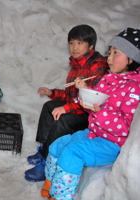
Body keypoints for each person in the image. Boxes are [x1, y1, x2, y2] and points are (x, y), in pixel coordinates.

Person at [41, 27, 140, 200]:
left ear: (131, 59)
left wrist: (99, 111)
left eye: (115, 53)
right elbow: (91, 105)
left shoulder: (134, 88)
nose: (108, 58)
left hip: (112, 143)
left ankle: (59, 196)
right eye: (109, 53)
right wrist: (85, 92)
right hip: (94, 134)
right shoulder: (108, 78)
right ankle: (50, 184)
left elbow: (126, 127)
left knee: (72, 152)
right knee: (59, 143)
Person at [25, 24, 109, 182]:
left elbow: (92, 99)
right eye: (71, 43)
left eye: (79, 43)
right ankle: (44, 149)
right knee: (49, 106)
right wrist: (52, 93)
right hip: (78, 107)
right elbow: (71, 95)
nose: (74, 47)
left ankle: (47, 162)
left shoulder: (97, 66)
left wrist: (66, 108)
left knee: (62, 120)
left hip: (90, 114)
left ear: (90, 45)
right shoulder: (76, 65)